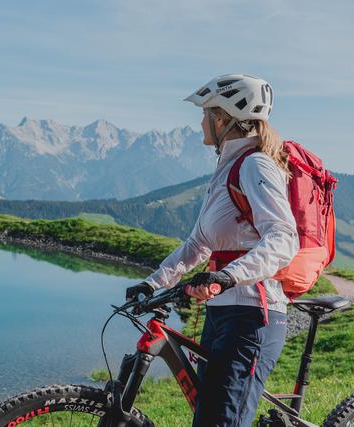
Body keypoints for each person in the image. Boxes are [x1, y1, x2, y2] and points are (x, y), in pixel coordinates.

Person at [126, 74, 299, 427]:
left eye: (204, 113)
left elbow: (283, 238)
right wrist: (152, 283)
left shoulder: (255, 165)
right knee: (210, 417)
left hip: (252, 317)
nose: (200, 122)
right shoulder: (227, 169)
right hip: (223, 314)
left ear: (222, 118)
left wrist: (227, 275)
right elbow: (196, 246)